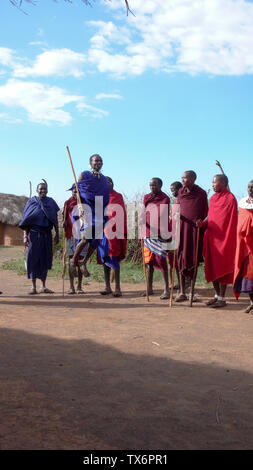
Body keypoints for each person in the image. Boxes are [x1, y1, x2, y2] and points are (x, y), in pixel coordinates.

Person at [198, 174, 238, 308]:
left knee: (222, 267)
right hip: (212, 239)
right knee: (211, 267)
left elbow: (231, 220)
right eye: (212, 182)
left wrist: (228, 238)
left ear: (223, 183)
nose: (212, 184)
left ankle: (222, 298)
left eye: (214, 182)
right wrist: (202, 223)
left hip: (224, 239)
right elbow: (212, 216)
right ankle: (216, 296)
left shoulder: (230, 198)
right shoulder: (213, 198)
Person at [69, 154, 110, 277]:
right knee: (86, 237)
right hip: (86, 209)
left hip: (98, 209)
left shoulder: (103, 179)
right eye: (95, 160)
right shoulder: (84, 174)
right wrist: (77, 197)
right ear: (90, 163)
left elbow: (105, 195)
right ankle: (73, 260)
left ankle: (84, 262)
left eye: (100, 161)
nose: (98, 162)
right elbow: (76, 189)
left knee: (96, 240)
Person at [19, 181, 59, 294]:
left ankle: (43, 286)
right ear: (37, 190)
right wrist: (25, 236)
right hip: (33, 235)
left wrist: (57, 234)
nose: (43, 190)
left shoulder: (51, 202)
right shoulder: (32, 202)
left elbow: (55, 219)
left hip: (46, 235)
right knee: (32, 259)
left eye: (44, 189)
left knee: (45, 259)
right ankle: (33, 287)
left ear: (47, 190)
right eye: (40, 189)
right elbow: (26, 220)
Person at [176, 170, 208, 302]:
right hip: (182, 229)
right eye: (182, 178)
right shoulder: (180, 192)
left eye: (186, 178)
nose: (183, 180)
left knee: (193, 259)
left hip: (195, 230)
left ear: (193, 179)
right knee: (180, 258)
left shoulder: (201, 193)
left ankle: (192, 292)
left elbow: (206, 213)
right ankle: (182, 292)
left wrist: (202, 222)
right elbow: (177, 208)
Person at [141, 177, 171, 299]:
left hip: (160, 234)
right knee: (149, 262)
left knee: (162, 261)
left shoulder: (165, 198)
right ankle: (149, 288)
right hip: (147, 233)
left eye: (154, 185)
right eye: (150, 185)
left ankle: (166, 289)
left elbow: (163, 215)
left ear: (160, 186)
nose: (152, 187)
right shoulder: (146, 197)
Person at [98, 177, 127, 297]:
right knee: (105, 259)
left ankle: (117, 288)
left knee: (114, 258)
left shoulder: (118, 196)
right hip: (103, 232)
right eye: (106, 182)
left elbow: (121, 214)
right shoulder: (99, 197)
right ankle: (107, 286)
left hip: (115, 232)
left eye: (110, 181)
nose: (109, 184)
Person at [63, 184, 87, 294]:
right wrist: (64, 223)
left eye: (77, 191)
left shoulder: (84, 203)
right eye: (73, 191)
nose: (75, 193)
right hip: (71, 235)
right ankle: (71, 286)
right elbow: (64, 218)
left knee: (80, 259)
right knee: (71, 260)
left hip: (82, 236)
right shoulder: (68, 203)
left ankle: (79, 286)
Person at [233, 180, 253, 314]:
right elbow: (242, 220)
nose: (250, 189)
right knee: (245, 273)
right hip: (244, 246)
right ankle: (252, 302)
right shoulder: (243, 203)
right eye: (249, 187)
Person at [168, 181, 183, 290]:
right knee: (172, 259)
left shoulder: (183, 201)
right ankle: (176, 282)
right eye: (171, 190)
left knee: (179, 260)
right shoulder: (176, 202)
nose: (172, 192)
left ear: (180, 189)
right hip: (172, 233)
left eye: (174, 189)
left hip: (180, 234)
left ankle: (183, 283)